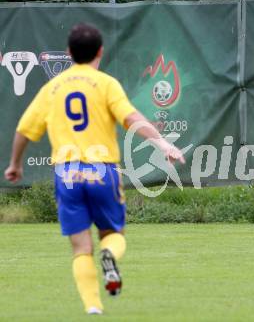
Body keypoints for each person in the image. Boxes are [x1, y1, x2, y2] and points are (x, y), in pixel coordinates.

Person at [4, 23, 185, 315]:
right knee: (113, 234)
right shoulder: (106, 84)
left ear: (68, 53)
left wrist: (15, 164)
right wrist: (162, 144)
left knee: (80, 248)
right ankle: (109, 255)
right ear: (100, 51)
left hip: (67, 174)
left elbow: (24, 130)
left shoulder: (52, 87)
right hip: (102, 171)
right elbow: (132, 118)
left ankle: (93, 307)